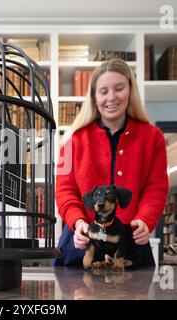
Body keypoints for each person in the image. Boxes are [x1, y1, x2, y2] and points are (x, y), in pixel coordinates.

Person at [54, 58, 169, 268]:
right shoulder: (71, 139)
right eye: (103, 91)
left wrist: (145, 219)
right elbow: (64, 191)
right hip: (81, 245)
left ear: (130, 91)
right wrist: (78, 222)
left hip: (130, 245)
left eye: (119, 88)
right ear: (94, 97)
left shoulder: (153, 137)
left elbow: (156, 188)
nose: (112, 97)